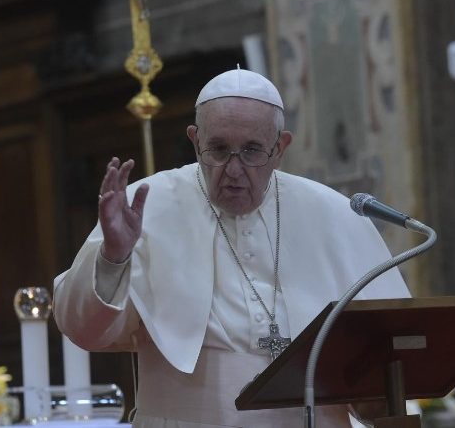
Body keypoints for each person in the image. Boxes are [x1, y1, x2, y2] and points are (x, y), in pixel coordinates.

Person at [54, 68, 410, 427]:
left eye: (252, 150)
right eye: (219, 149)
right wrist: (114, 258)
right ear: (195, 141)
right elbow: (83, 330)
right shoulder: (144, 206)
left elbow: (389, 352)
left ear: (280, 148)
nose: (234, 169)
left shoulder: (334, 213)